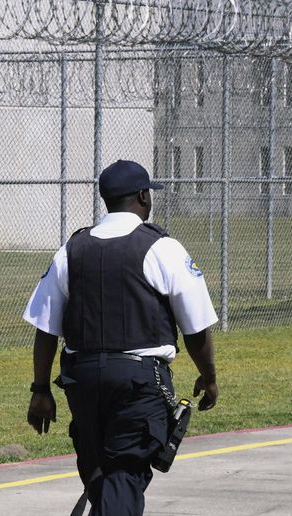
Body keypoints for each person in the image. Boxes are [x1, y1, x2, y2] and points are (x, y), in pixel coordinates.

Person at [23, 159, 219, 515]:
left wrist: (40, 390)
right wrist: (209, 377)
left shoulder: (72, 250)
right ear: (143, 197)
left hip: (82, 382)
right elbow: (196, 328)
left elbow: (45, 327)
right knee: (124, 473)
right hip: (138, 383)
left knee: (100, 472)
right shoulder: (163, 248)